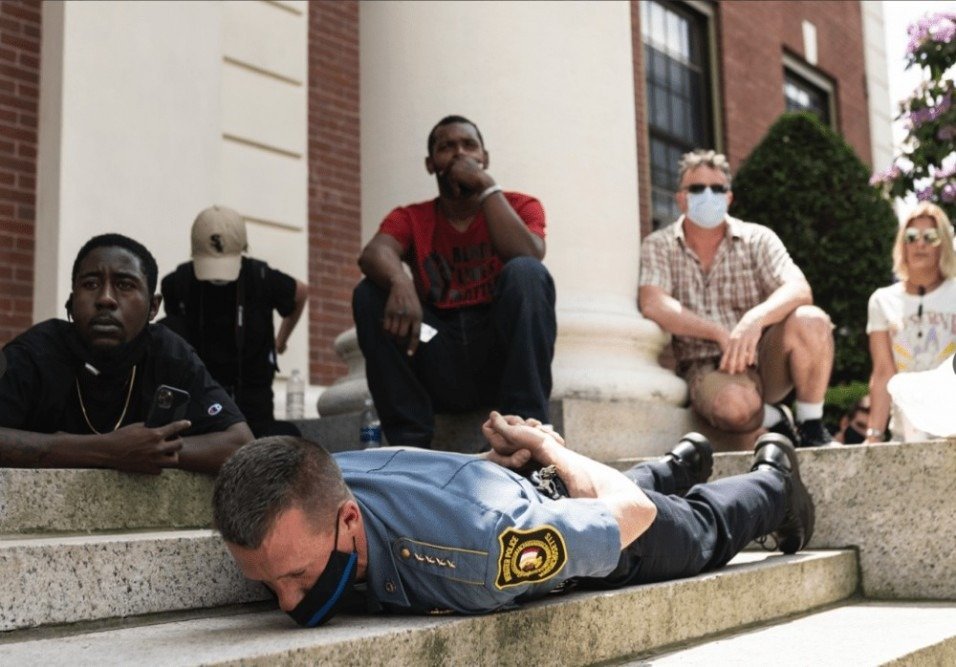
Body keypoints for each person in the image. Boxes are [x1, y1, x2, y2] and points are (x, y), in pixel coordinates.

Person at [213, 414, 813, 626]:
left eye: (294, 575)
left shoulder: (479, 556)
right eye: (270, 584)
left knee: (697, 529)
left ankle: (775, 481)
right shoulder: (317, 475)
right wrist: (490, 464)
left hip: (581, 521)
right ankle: (678, 461)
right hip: (515, 492)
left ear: (347, 519)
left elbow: (632, 512)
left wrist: (545, 446)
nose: (288, 604)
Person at [352, 115, 556, 447]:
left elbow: (529, 254)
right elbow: (373, 253)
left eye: (469, 146)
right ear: (431, 164)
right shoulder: (411, 217)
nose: (459, 154)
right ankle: (409, 443)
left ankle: (522, 433)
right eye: (446, 147)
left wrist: (487, 187)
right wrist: (400, 281)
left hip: (496, 356)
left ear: (484, 158)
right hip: (437, 354)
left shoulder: (521, 206)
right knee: (369, 293)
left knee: (527, 274)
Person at [0, 233, 253, 475]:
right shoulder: (36, 353)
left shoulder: (170, 354)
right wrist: (106, 451)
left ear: (153, 307)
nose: (106, 298)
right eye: (90, 284)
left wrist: (152, 449)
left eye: (124, 285)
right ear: (71, 302)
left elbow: (240, 444)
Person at [639, 149, 834, 448]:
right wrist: (718, 333)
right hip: (705, 368)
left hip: (762, 360)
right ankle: (772, 418)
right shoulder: (660, 245)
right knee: (735, 408)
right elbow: (653, 302)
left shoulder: (758, 238)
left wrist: (755, 320)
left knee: (812, 319)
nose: (708, 195)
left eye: (717, 188)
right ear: (681, 197)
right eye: (697, 188)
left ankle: (811, 425)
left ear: (729, 198)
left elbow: (799, 288)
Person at [161, 205, 308, 438]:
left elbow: (300, 292)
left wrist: (281, 340)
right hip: (201, 416)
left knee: (287, 438)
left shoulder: (259, 277)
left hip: (254, 414)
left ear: (242, 250)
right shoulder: (178, 284)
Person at [865, 202, 956, 443]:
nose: (920, 243)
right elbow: (883, 371)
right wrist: (874, 434)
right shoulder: (882, 300)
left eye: (930, 236)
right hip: (904, 431)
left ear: (943, 243)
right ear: (902, 244)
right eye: (912, 236)